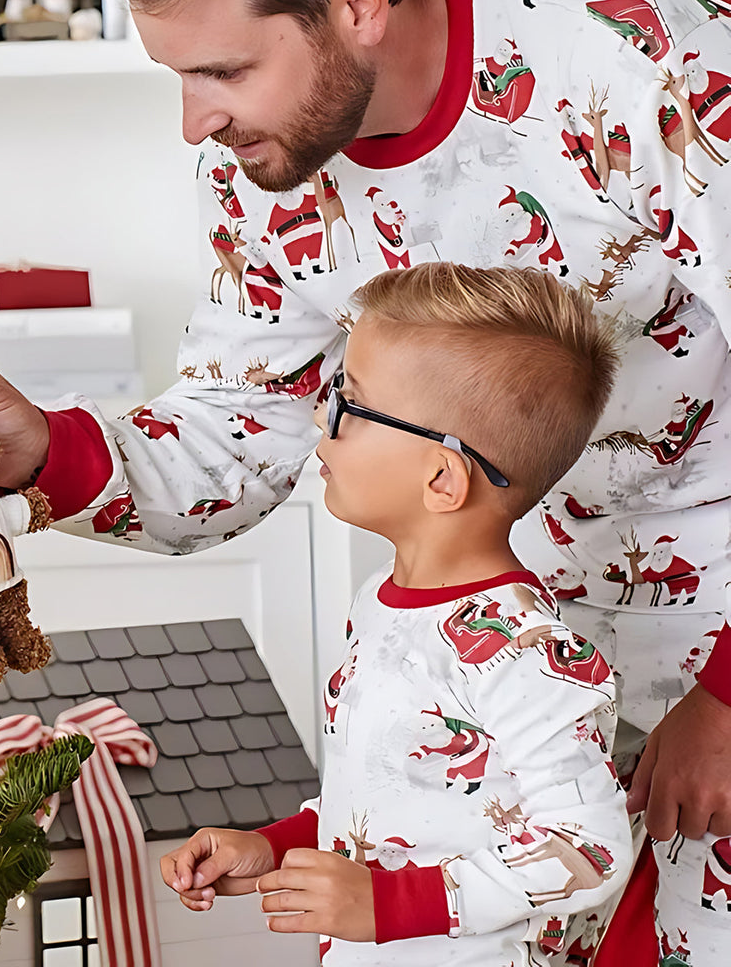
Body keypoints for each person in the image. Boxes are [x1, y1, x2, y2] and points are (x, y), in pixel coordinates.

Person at [0, 0, 731, 959]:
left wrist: (724, 698)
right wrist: (36, 450)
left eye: (222, 69)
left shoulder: (628, 47)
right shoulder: (260, 171)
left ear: (355, 0)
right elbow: (235, 443)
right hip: (503, 648)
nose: (194, 123)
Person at [160, 262, 633, 966]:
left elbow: (590, 850)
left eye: (350, 403)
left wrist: (391, 905)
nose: (324, 417)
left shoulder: (527, 651)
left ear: (441, 477)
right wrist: (276, 846)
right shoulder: (379, 600)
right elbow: (390, 802)